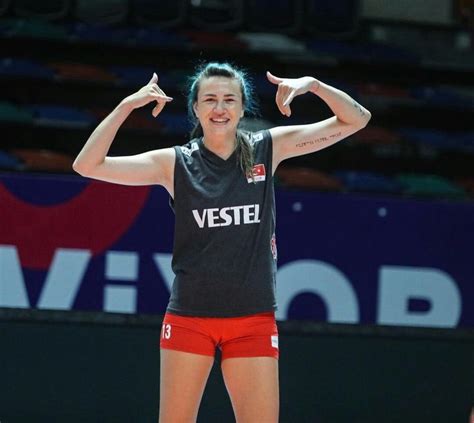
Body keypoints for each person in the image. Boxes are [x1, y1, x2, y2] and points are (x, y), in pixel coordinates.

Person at [73, 62, 371, 423]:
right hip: (189, 319)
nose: (220, 108)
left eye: (230, 99)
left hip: (253, 320)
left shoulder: (267, 148)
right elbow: (87, 165)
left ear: (243, 108)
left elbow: (357, 119)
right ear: (195, 108)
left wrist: (315, 85)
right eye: (210, 99)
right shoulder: (175, 163)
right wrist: (125, 107)